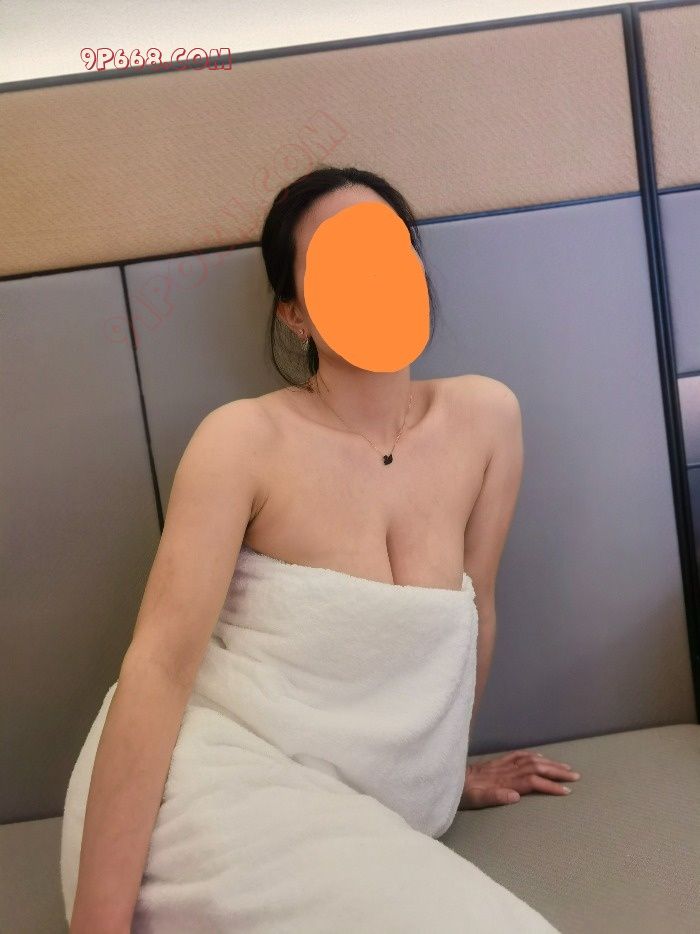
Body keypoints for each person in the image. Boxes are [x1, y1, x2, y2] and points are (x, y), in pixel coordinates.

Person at [61, 165, 575, 932]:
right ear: (295, 312)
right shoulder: (242, 441)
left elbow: (476, 615)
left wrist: (441, 780)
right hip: (209, 777)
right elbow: (158, 670)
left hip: (359, 814)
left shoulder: (487, 419)